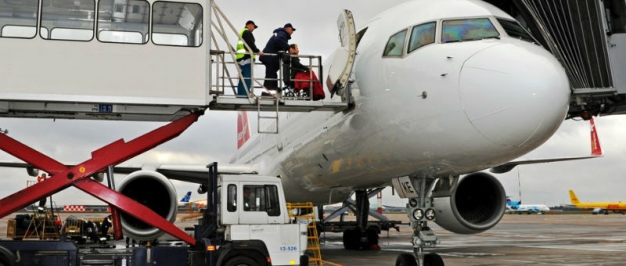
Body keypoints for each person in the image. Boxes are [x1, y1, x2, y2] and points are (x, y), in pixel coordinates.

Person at [260, 23, 296, 97]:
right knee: (271, 76)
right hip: (270, 58)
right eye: (292, 30)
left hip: (271, 59)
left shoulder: (281, 34)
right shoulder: (281, 33)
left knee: (271, 76)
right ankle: (267, 94)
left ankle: (268, 94)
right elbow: (278, 40)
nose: (292, 32)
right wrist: (289, 48)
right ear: (287, 29)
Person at [236, 20, 264, 97]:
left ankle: (240, 94)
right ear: (250, 25)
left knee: (243, 78)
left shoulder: (243, 32)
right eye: (253, 27)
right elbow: (250, 44)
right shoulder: (247, 32)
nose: (254, 29)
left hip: (241, 58)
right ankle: (245, 94)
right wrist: (257, 51)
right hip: (245, 58)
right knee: (248, 78)